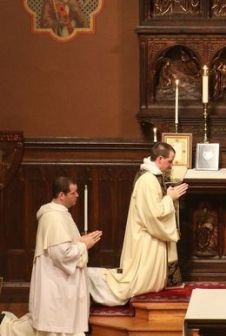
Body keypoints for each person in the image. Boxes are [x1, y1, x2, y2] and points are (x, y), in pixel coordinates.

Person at [87, 141, 188, 305]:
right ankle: (94, 280)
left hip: (149, 235)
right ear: (160, 159)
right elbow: (153, 215)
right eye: (170, 161)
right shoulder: (148, 180)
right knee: (138, 283)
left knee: (150, 282)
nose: (171, 166)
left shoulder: (151, 176)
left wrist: (168, 196)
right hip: (146, 238)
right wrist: (170, 198)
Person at [0, 175, 102, 336]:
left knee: (55, 325)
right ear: (61, 195)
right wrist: (84, 245)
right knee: (53, 326)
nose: (77, 195)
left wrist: (81, 240)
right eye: (73, 193)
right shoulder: (53, 217)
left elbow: (64, 244)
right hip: (56, 282)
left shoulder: (60, 213)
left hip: (58, 280)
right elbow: (61, 254)